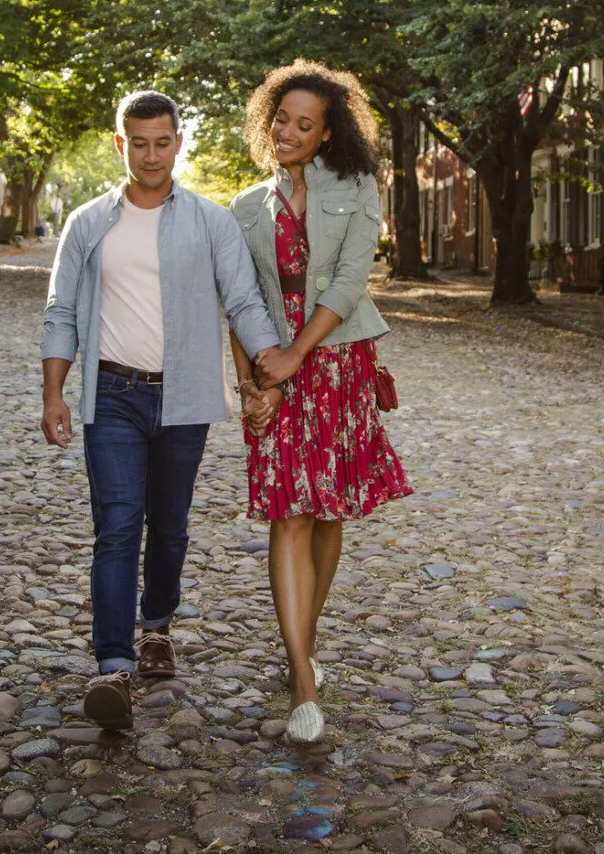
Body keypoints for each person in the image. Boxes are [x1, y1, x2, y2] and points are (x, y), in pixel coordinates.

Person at [40, 90, 286, 731]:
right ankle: (114, 665)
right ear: (121, 144)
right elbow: (61, 311)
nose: (150, 155)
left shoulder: (210, 222)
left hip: (184, 397)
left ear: (179, 142)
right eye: (138, 142)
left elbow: (244, 304)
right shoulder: (90, 223)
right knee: (118, 526)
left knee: (170, 524)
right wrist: (53, 392)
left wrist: (273, 367)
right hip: (112, 396)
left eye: (162, 141)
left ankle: (157, 626)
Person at [230, 61, 412, 744]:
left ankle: (300, 641)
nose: (289, 132)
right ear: (267, 119)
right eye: (281, 119)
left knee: (328, 510)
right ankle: (302, 679)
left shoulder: (358, 187)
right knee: (288, 512)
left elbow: (348, 282)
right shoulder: (245, 209)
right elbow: (240, 304)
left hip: (336, 364)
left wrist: (294, 357)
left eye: (305, 124)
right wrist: (252, 383)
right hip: (275, 373)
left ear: (327, 131)